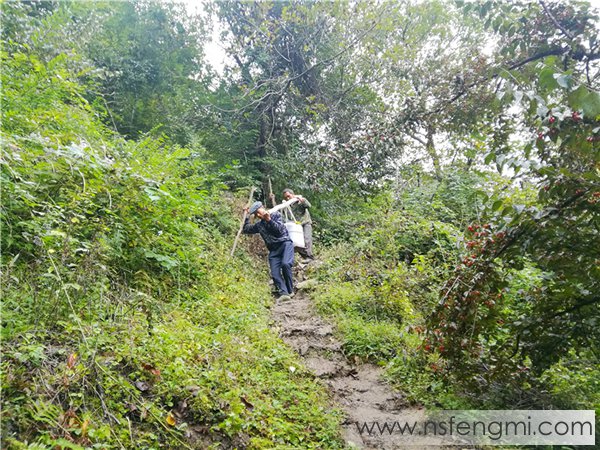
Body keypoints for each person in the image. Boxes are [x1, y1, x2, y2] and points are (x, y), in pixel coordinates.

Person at [243, 201, 294, 300]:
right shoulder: (259, 225)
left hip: (285, 244)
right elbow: (246, 229)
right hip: (273, 250)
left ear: (263, 208)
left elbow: (279, 231)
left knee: (285, 264)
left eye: (259, 211)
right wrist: (246, 215)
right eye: (256, 214)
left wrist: (269, 220)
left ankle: (290, 290)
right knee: (275, 273)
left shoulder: (275, 215)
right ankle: (284, 294)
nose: (258, 215)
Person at [282, 188, 314, 261]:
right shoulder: (287, 205)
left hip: (305, 222)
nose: (287, 198)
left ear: (292, 195)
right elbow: (285, 216)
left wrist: (302, 200)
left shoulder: (299, 200)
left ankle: (309, 256)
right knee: (297, 243)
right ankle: (305, 257)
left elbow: (308, 206)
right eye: (286, 197)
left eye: (288, 196)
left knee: (307, 239)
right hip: (296, 225)